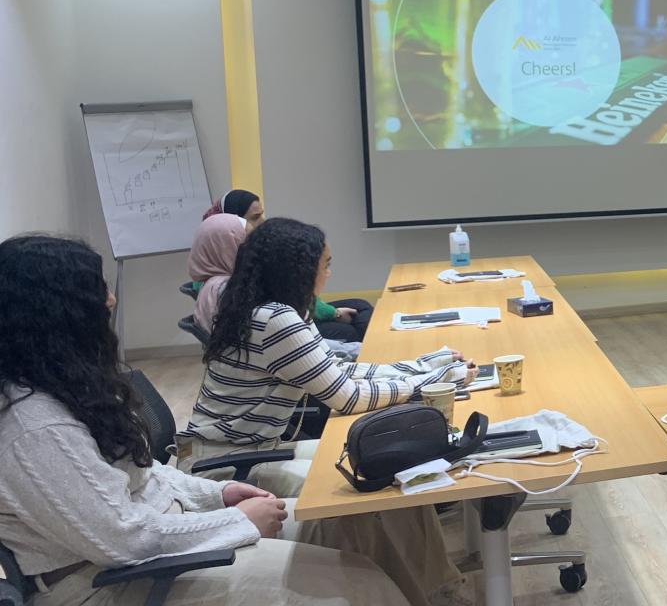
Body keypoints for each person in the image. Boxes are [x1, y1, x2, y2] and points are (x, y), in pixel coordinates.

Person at [0, 234, 407, 605]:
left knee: (356, 522)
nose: (110, 301)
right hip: (110, 583)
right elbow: (123, 541)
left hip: (165, 539)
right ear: (55, 312)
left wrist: (221, 494)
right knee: (359, 585)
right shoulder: (36, 427)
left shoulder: (67, 387)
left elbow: (147, 475)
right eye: (97, 290)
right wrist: (236, 522)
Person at [177, 218, 471, 605]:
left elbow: (340, 370)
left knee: (394, 463)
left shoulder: (273, 310)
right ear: (300, 269)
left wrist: (424, 365)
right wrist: (423, 386)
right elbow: (345, 396)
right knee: (378, 478)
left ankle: (435, 589)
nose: (330, 273)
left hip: (252, 450)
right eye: (326, 264)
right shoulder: (276, 320)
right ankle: (424, 593)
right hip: (228, 466)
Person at [198, 189, 374, 344]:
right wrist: (334, 314)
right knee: (351, 331)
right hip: (286, 323)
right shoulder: (227, 285)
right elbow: (285, 301)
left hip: (295, 317)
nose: (262, 221)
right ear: (232, 229)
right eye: (254, 218)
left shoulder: (231, 265)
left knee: (360, 308)